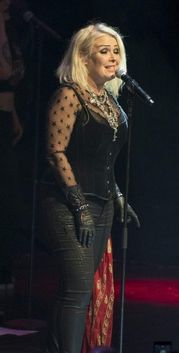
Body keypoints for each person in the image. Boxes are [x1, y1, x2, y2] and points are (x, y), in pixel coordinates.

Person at [40, 22, 140, 353]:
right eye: (103, 51)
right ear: (83, 58)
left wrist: (118, 196)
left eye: (116, 51)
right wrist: (79, 204)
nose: (113, 58)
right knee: (79, 289)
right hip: (68, 204)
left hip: (103, 204)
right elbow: (56, 154)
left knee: (78, 289)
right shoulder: (69, 95)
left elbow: (106, 160)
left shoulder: (111, 104)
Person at [0, 0, 24, 289]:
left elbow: (11, 82)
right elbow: (4, 71)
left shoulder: (11, 29)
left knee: (8, 197)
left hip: (6, 116)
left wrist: (14, 114)